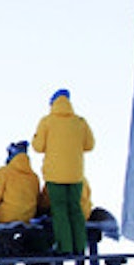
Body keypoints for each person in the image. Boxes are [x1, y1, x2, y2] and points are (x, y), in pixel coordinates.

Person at [32, 88, 95, 255]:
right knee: (75, 209)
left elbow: (38, 147)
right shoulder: (80, 122)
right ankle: (80, 247)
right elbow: (90, 145)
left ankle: (65, 247)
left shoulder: (47, 121)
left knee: (59, 210)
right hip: (75, 175)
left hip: (55, 176)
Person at [0, 140, 40, 224]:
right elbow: (37, 199)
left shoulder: (4, 172)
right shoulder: (34, 177)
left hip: (6, 217)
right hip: (28, 217)